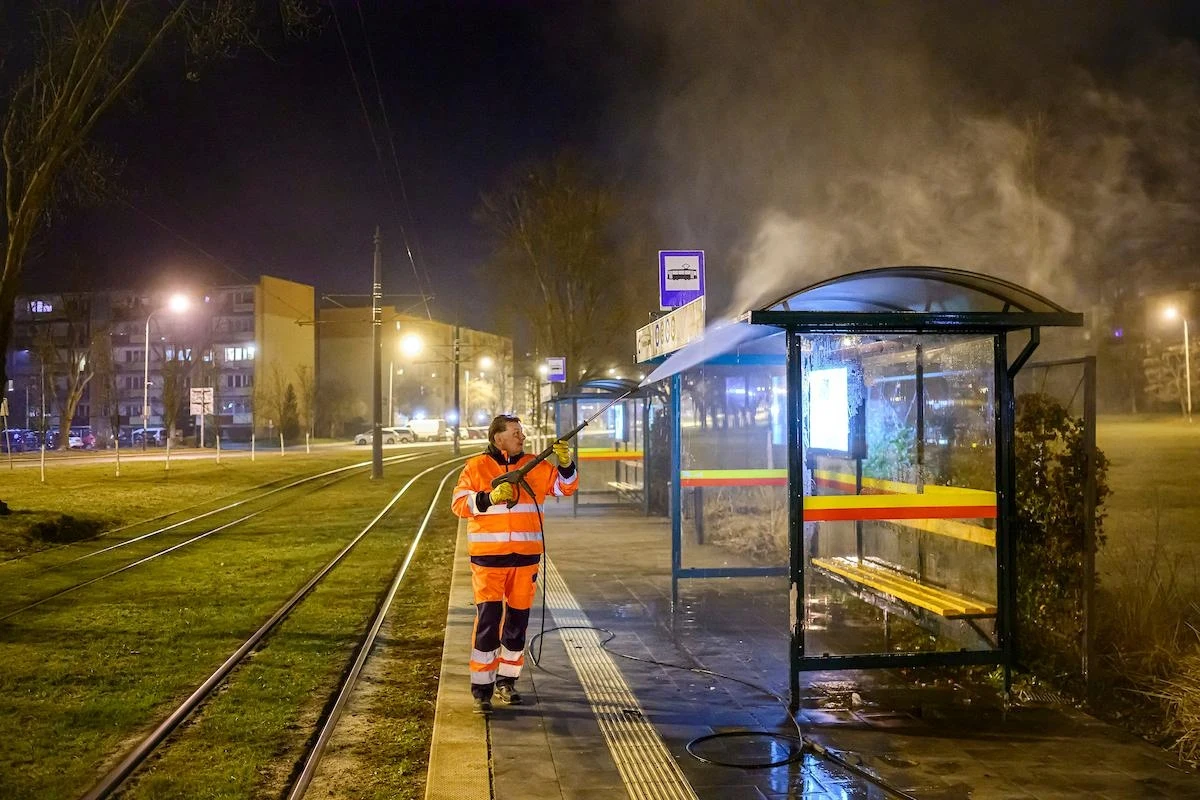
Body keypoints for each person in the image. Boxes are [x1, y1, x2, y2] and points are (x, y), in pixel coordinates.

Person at [451, 414, 578, 713]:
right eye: (515, 432)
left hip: (525, 559)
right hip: (489, 561)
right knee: (488, 622)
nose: (521, 436)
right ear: (498, 438)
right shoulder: (476, 467)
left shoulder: (535, 465)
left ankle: (507, 682)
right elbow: (459, 504)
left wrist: (566, 464)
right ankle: (481, 689)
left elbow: (565, 488)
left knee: (517, 624)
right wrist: (489, 497)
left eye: (522, 432)